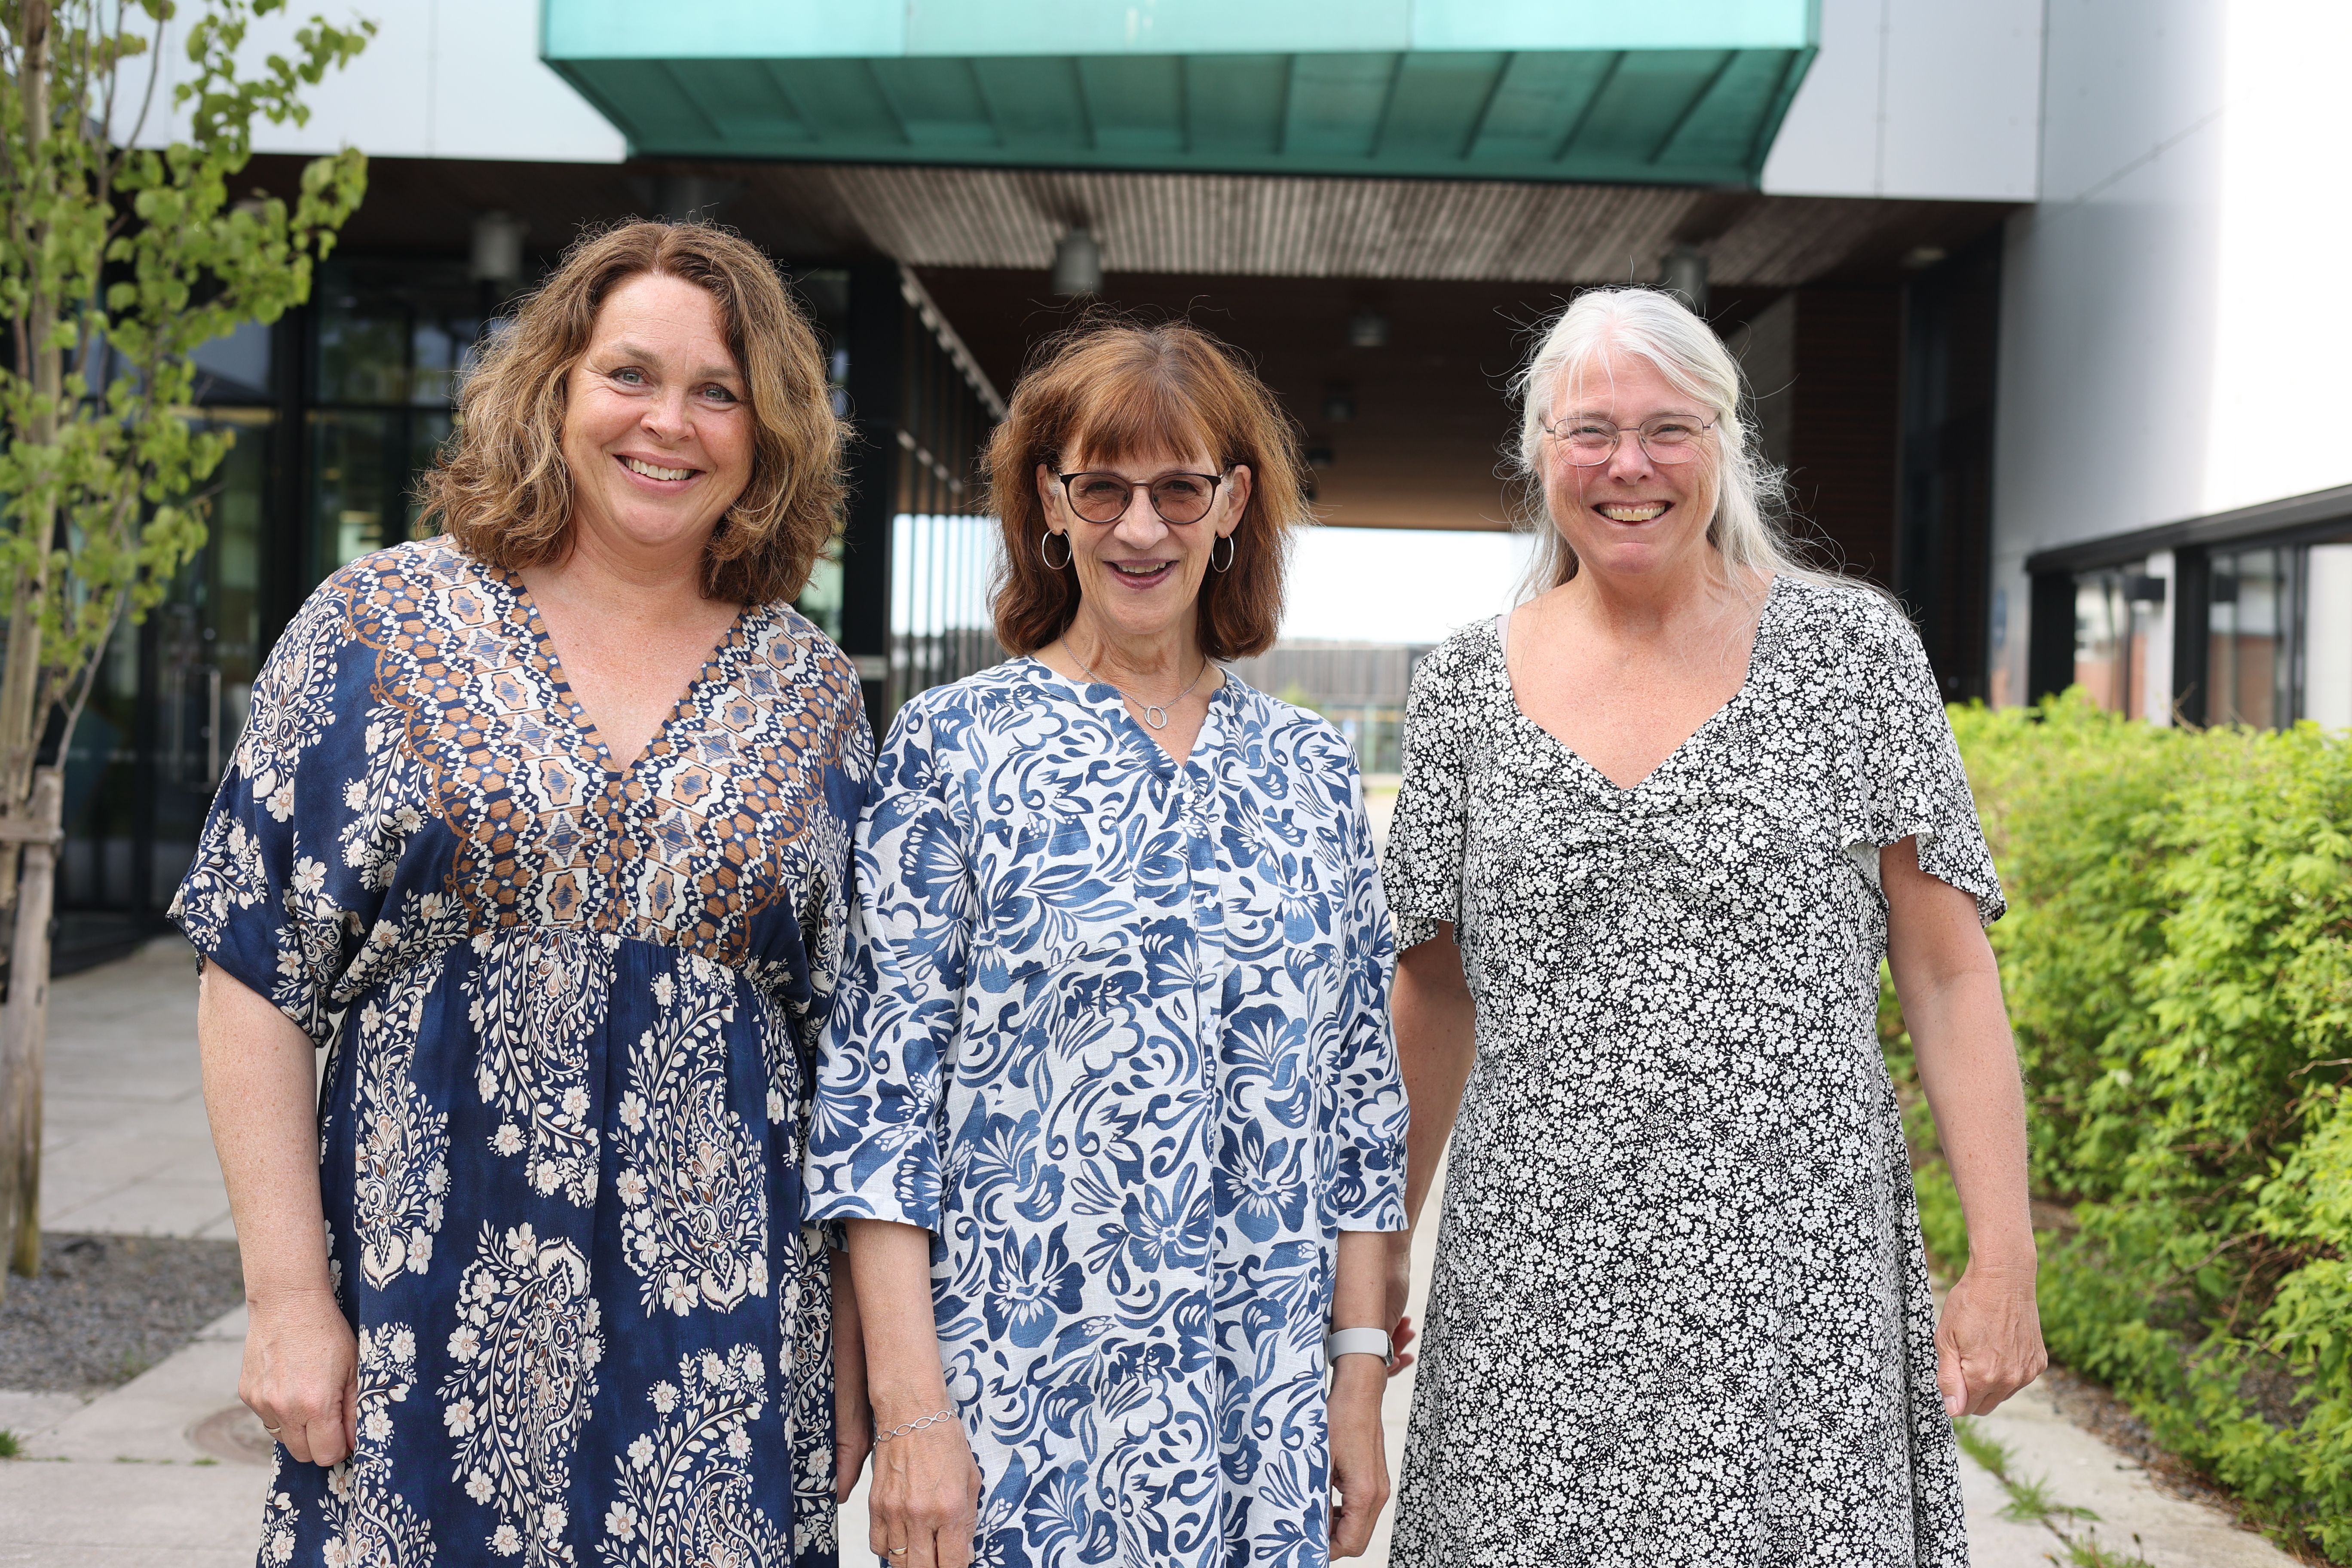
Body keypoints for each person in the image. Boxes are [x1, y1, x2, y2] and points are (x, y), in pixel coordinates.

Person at [172, 221, 870, 1567]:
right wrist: (285, 1299)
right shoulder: (374, 627)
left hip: (723, 1370)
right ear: (554, 386)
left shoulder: (813, 691)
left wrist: (853, 1346)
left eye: (718, 392)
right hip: (416, 1331)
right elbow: (253, 966)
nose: (669, 423)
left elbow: (853, 1052)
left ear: (767, 433)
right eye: (630, 375)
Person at [1380, 286, 2046, 1565]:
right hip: (1535, 1290)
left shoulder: (1854, 655)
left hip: (1799, 1290)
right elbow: (1434, 991)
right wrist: (1381, 1256)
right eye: (1590, 430)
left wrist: (2003, 1263)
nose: (1627, 465)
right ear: (1539, 453)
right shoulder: (1463, 683)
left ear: (1727, 445)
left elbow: (1950, 974)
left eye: (1667, 429)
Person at [806, 320, 1409, 1568]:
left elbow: (1362, 1105)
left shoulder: (1308, 770)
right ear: (1049, 501)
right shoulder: (952, 749)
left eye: (1179, 489)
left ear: (1233, 503)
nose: (1142, 528)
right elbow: (879, 1109)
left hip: (1257, 1404)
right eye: (1103, 488)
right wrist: (913, 1415)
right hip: (1016, 1404)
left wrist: (1356, 1387)